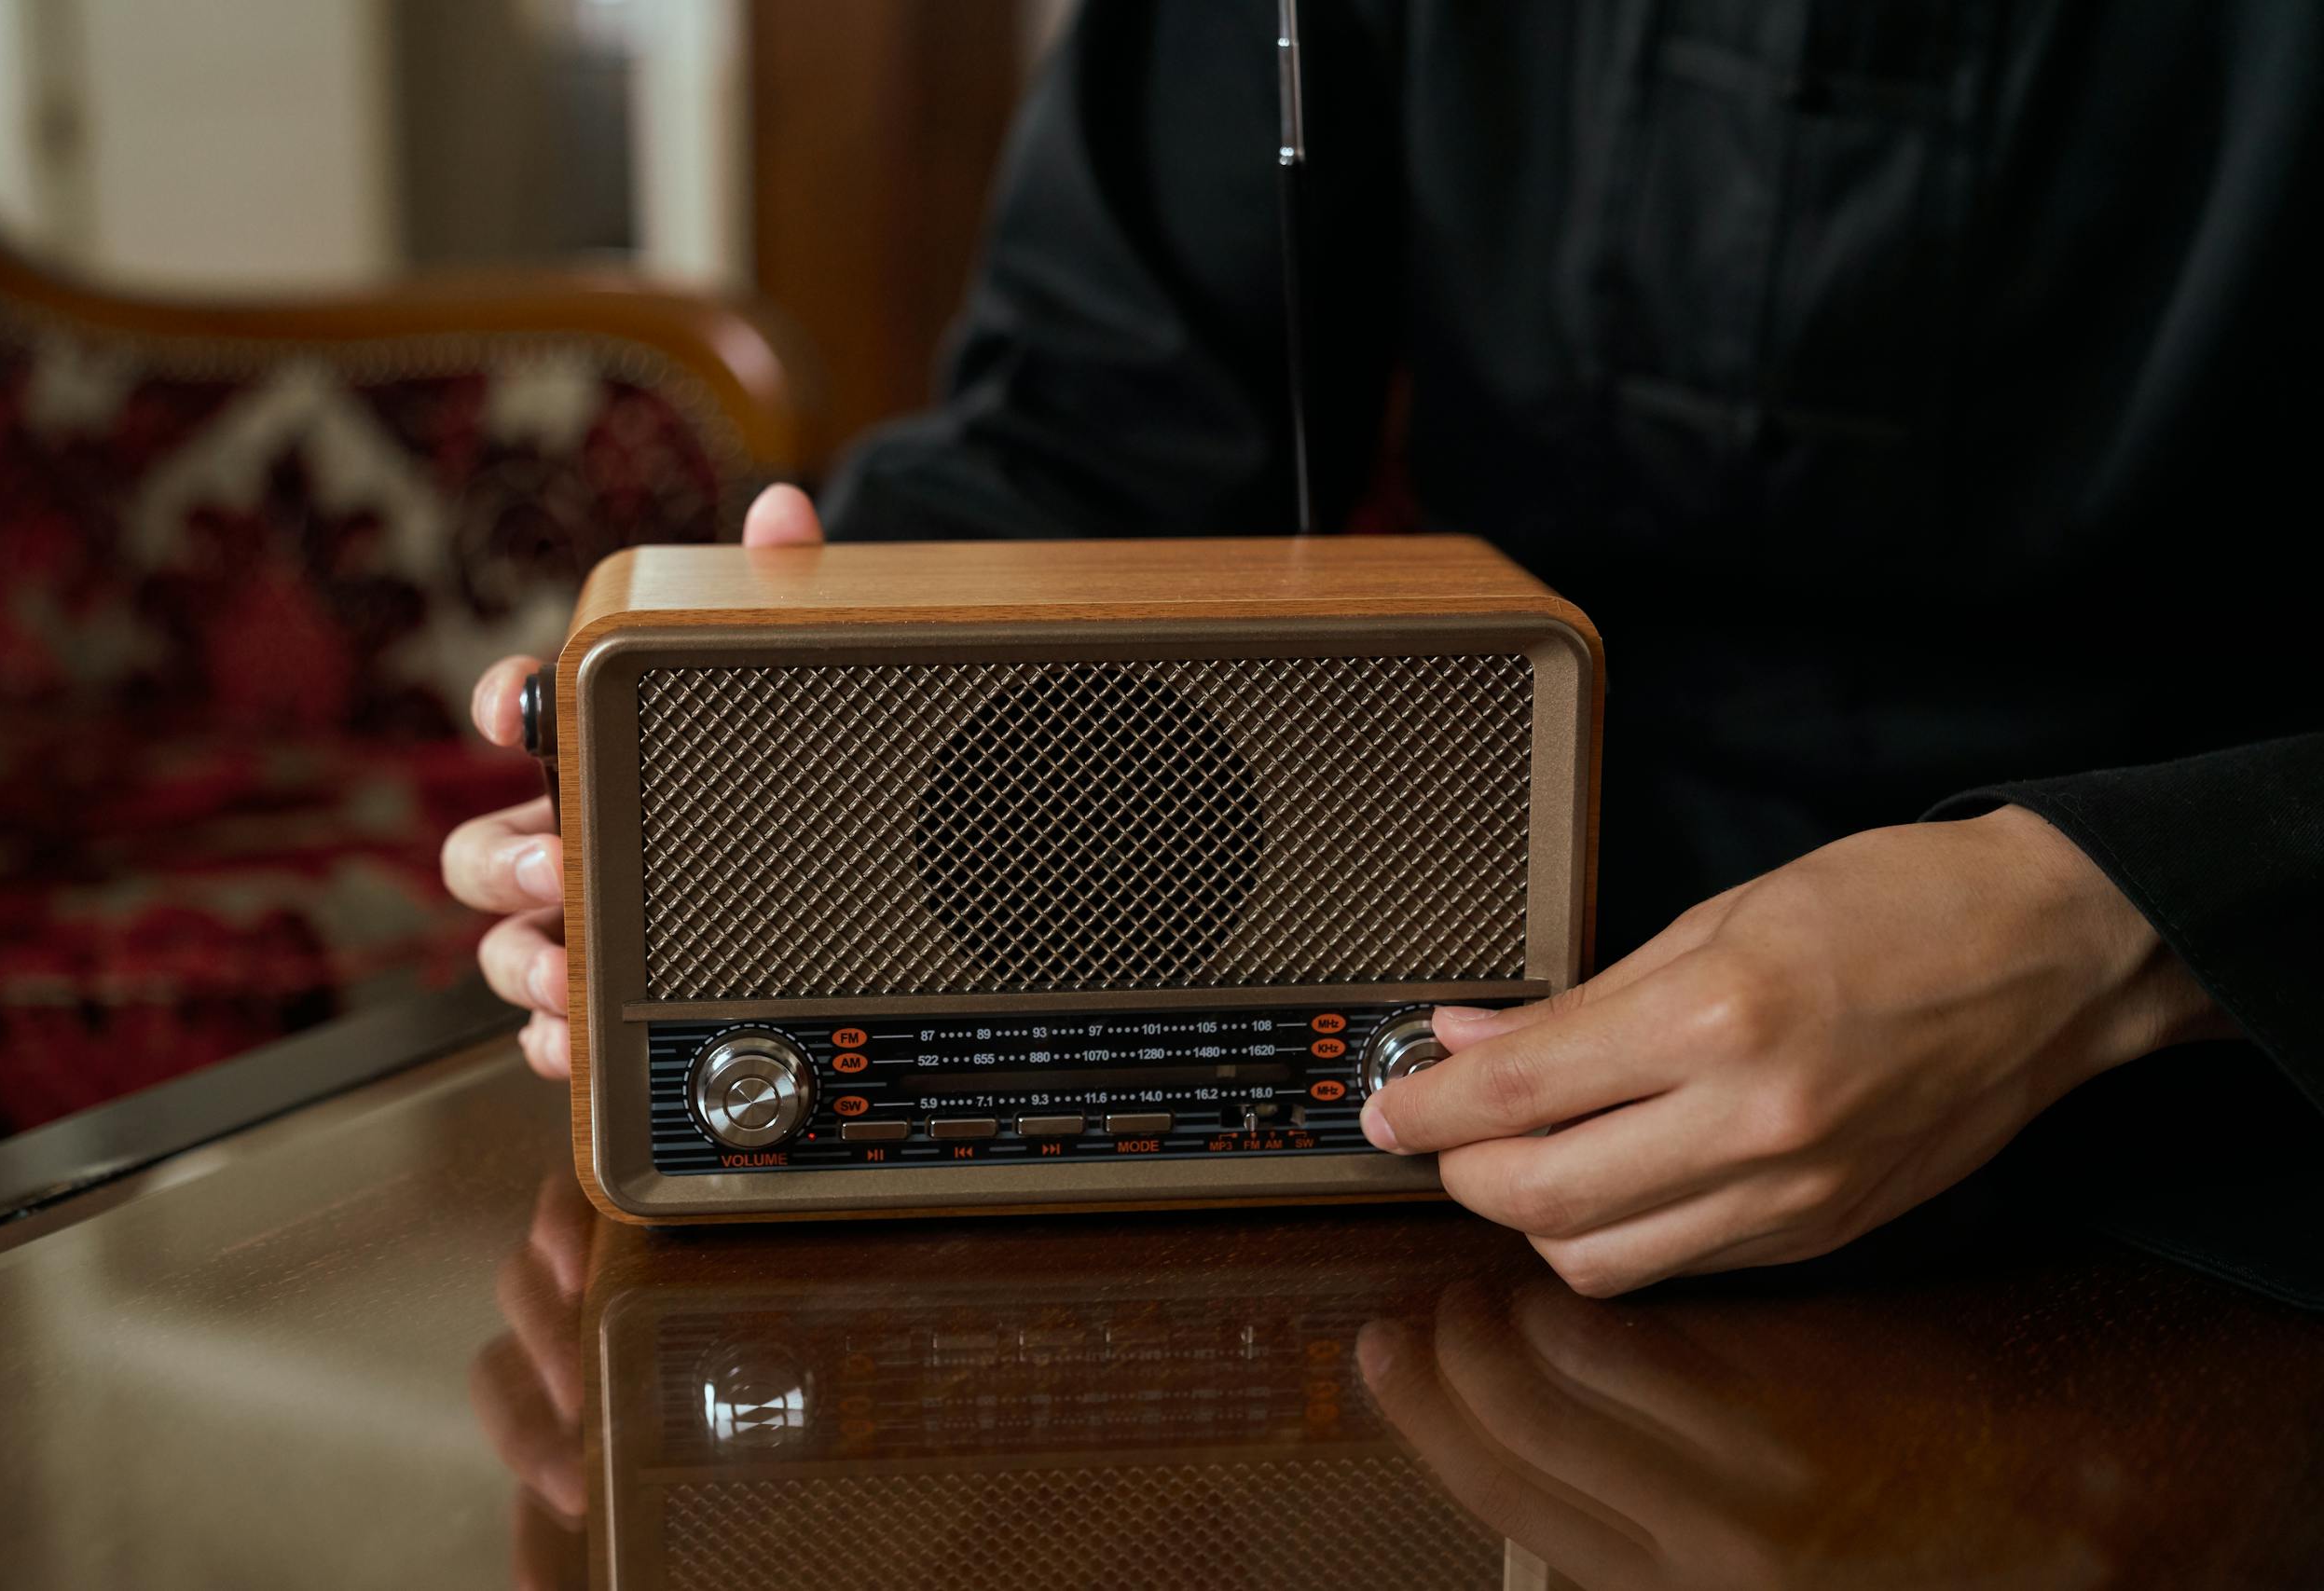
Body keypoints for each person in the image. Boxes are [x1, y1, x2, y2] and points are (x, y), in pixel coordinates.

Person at [442, 1, 2321, 1301]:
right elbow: (1104, 422)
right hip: (1429, 1099)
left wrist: (2107, 922)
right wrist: (773, 754)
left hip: (2224, 1094)